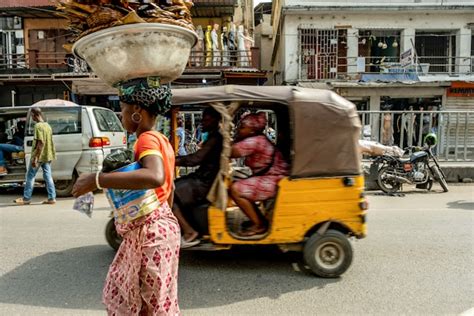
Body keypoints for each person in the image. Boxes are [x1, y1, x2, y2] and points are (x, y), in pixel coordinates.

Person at [72, 78, 181, 315]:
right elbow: (168, 191)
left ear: (137, 112)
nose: (121, 115)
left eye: (122, 109)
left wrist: (96, 180)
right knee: (153, 303)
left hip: (151, 234)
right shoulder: (163, 140)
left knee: (144, 305)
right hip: (162, 230)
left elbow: (155, 176)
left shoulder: (147, 139)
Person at [229, 112, 289, 236]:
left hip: (275, 180)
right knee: (237, 181)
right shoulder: (257, 138)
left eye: (242, 127)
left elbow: (231, 151)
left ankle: (259, 225)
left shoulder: (256, 141)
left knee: (236, 189)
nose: (239, 129)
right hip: (272, 177)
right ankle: (258, 219)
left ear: (252, 131)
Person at [173, 107, 222, 248]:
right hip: (202, 178)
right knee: (176, 185)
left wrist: (173, 160)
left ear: (216, 120)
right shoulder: (213, 136)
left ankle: (189, 232)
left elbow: (196, 159)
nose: (202, 123)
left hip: (204, 182)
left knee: (169, 194)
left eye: (206, 120)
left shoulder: (215, 138)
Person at [14, 108, 56, 205]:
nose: (31, 117)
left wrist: (36, 158)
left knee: (30, 176)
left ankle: (26, 198)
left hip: (39, 155)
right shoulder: (48, 126)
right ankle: (52, 198)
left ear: (35, 114)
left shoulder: (38, 126)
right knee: (48, 176)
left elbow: (40, 143)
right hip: (47, 155)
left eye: (32, 115)